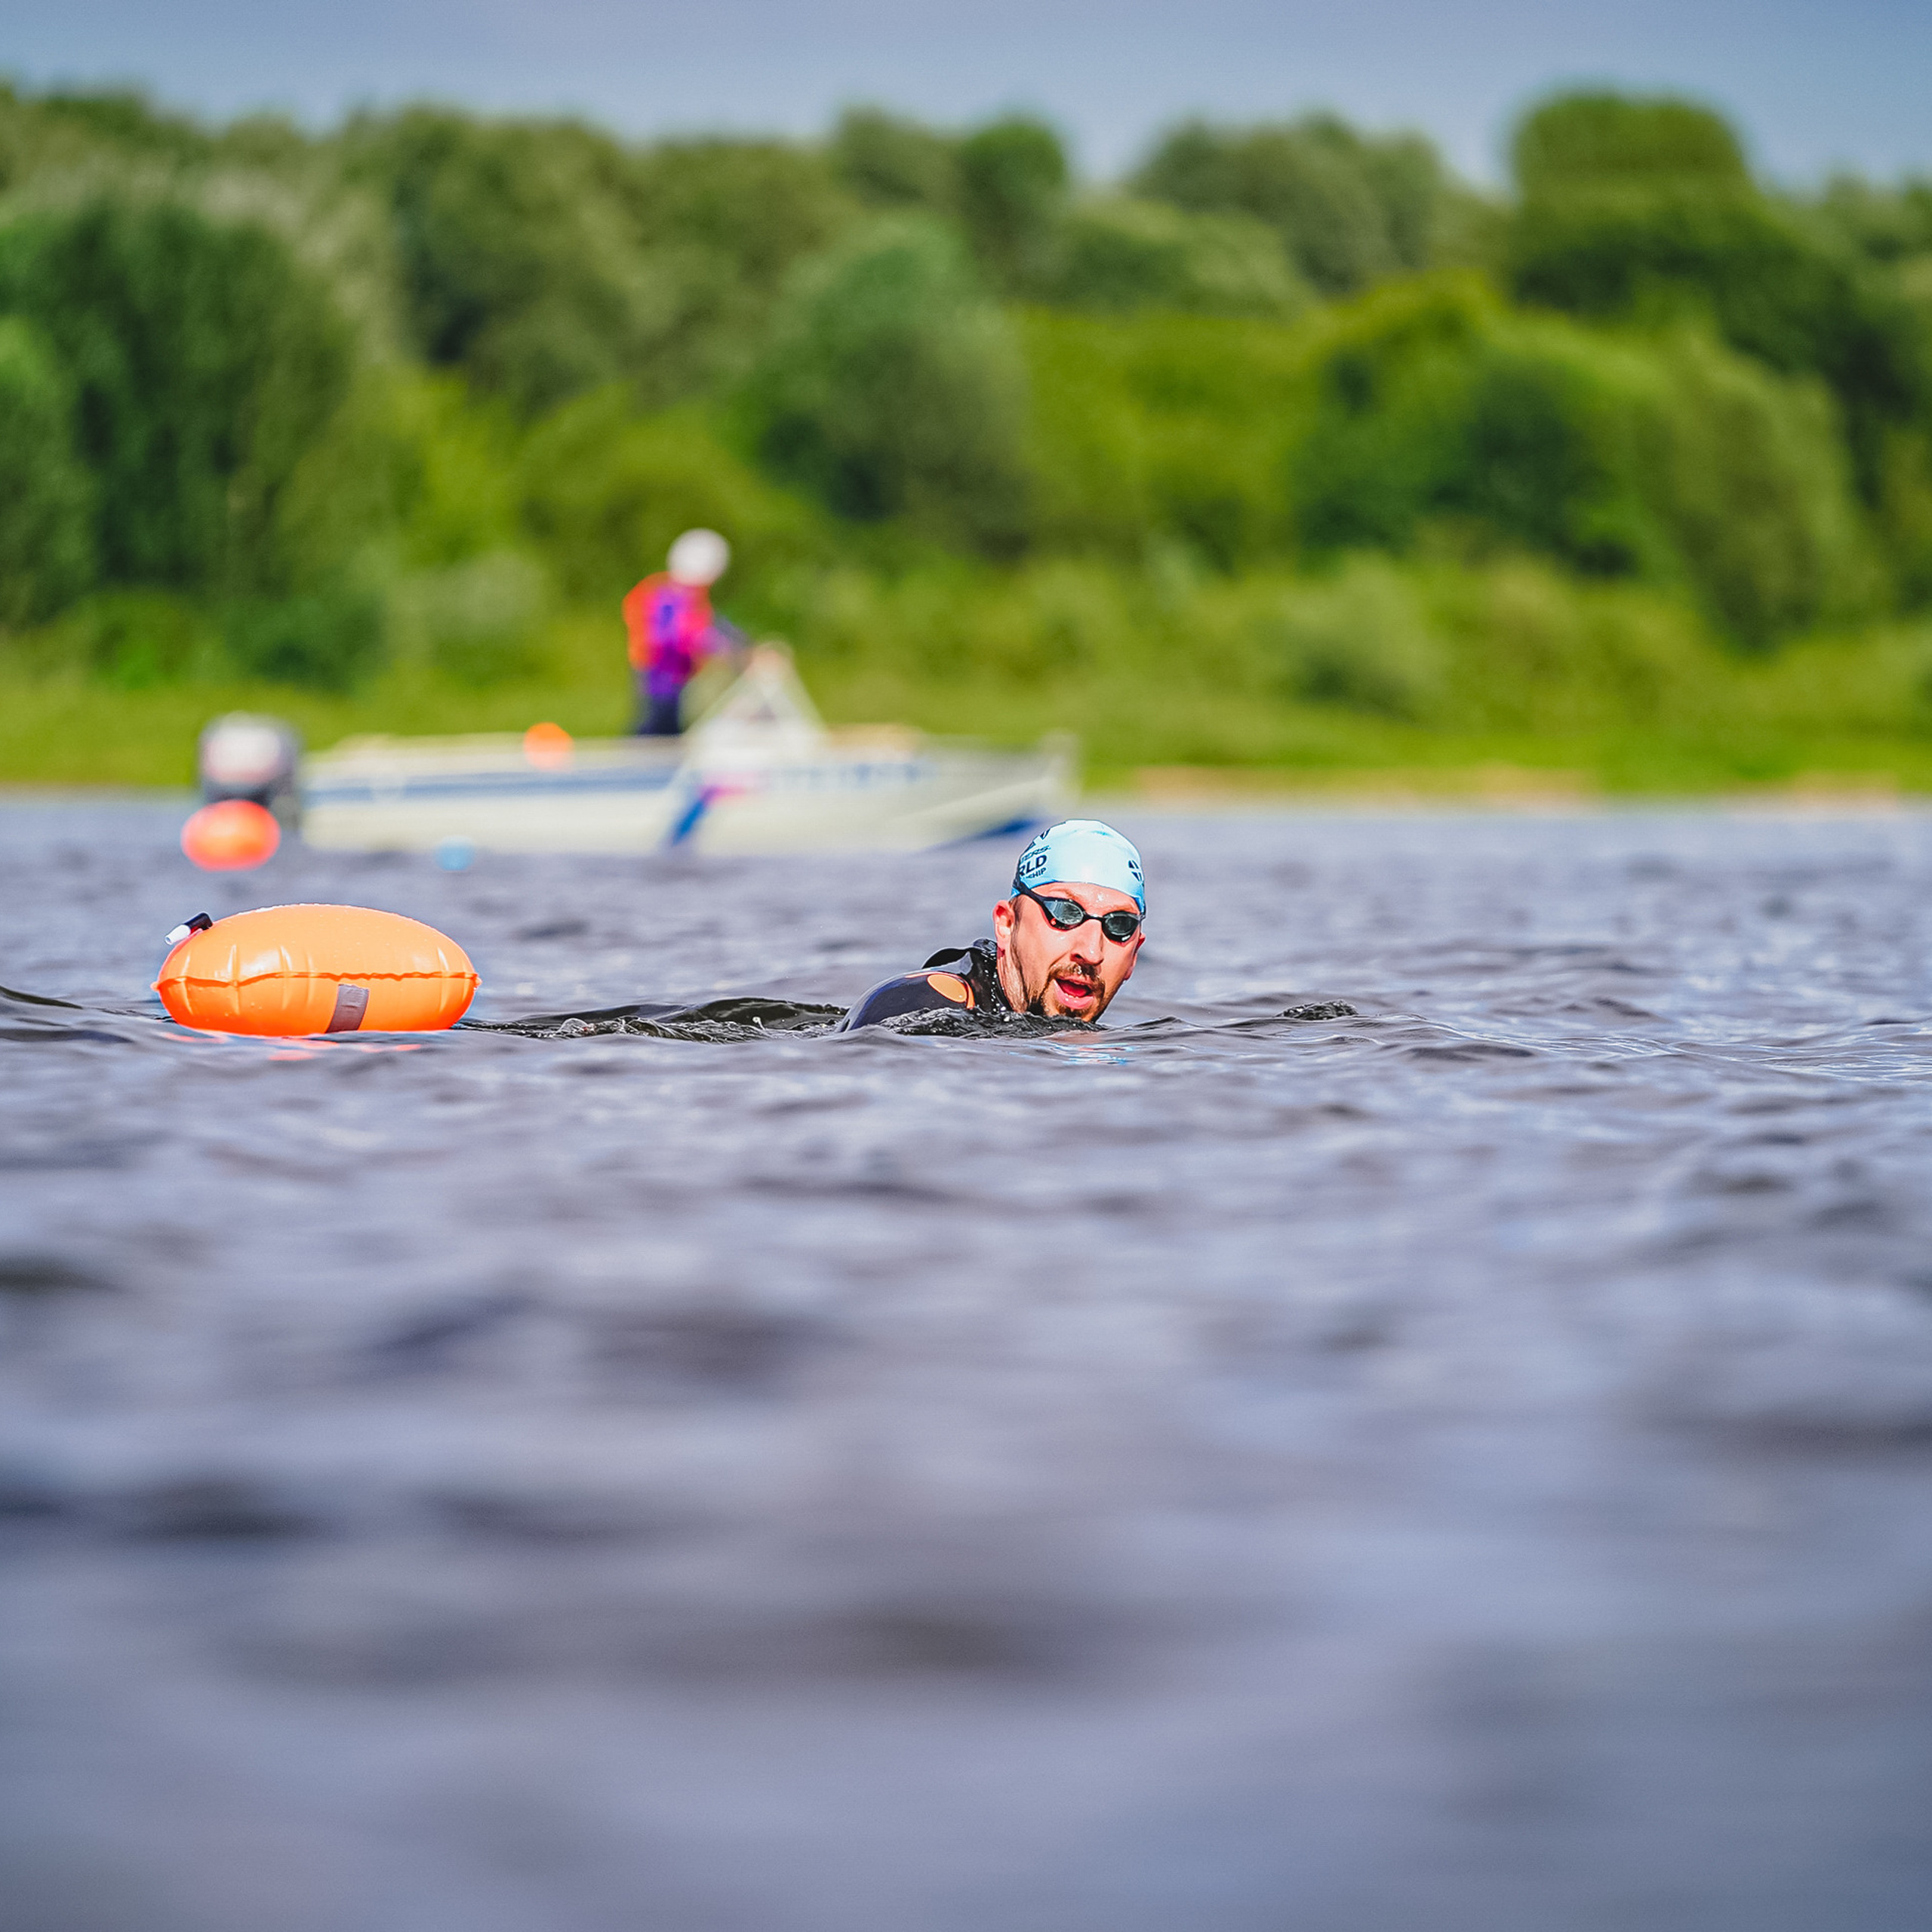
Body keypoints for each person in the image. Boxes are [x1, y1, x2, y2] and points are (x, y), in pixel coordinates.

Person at [838, 820, 1146, 1032]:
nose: (1092, 952)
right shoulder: (922, 1006)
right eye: (1065, 913)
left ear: (1134, 956)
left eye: (1119, 925)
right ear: (1007, 924)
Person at [623, 528, 749, 736]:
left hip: (679, 680)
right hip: (659, 679)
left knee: (671, 733)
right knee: (655, 732)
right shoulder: (665, 595)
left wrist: (743, 648)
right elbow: (676, 635)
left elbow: (716, 626)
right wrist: (720, 646)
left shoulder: (689, 597)